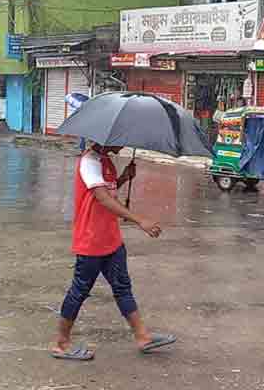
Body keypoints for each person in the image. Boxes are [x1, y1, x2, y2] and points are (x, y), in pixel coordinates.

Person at [50, 143, 177, 361]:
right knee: (79, 290)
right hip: (91, 240)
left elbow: (107, 191)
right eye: (119, 140)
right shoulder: (89, 161)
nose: (124, 144)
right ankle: (61, 344)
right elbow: (102, 198)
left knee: (122, 287)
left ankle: (142, 336)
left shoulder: (105, 161)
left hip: (111, 238)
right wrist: (140, 220)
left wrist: (124, 178)